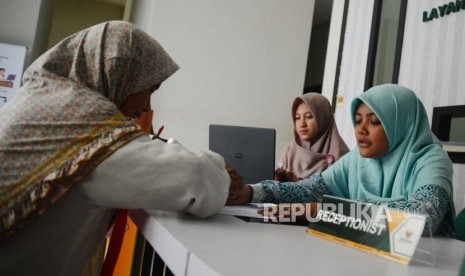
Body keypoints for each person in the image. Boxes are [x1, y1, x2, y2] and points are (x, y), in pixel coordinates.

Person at [0, 21, 230, 275]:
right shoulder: (86, 132)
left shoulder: (42, 104)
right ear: (117, 71)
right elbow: (198, 179)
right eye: (149, 89)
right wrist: (224, 174)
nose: (146, 107)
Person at [228, 84, 455, 236]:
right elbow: (311, 189)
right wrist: (252, 192)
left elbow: (423, 217)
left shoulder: (431, 159)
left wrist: (330, 210)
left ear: (402, 124)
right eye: (357, 121)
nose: (361, 130)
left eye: (374, 121)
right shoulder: (358, 158)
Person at [274, 93, 349, 182]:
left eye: (309, 117)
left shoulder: (342, 158)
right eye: (297, 118)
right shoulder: (289, 151)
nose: (302, 124)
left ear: (323, 118)